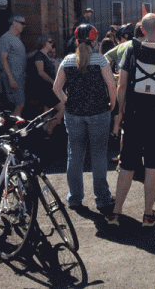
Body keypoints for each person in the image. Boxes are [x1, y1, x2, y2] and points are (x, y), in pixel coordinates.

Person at [107, 13, 155, 228]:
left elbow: (122, 85)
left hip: (133, 114)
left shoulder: (132, 50)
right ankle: (148, 215)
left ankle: (116, 213)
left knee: (127, 165)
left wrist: (119, 113)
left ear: (141, 29)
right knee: (153, 166)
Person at [53, 23, 117, 213]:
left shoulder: (67, 60)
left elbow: (57, 88)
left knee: (75, 156)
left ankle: (74, 198)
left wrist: (67, 102)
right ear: (95, 40)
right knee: (98, 156)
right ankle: (103, 199)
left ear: (76, 40)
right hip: (99, 113)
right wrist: (112, 104)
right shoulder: (101, 60)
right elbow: (112, 86)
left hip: (74, 115)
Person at [30, 35, 64, 136]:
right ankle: (50, 129)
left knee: (47, 112)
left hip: (48, 88)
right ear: (44, 43)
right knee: (62, 108)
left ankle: (44, 133)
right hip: (46, 89)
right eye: (49, 41)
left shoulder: (45, 56)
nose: (51, 43)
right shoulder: (39, 56)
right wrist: (53, 82)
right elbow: (41, 72)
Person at [0, 14, 27, 117]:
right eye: (22, 23)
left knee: (18, 105)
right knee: (19, 104)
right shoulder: (6, 38)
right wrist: (11, 78)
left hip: (20, 77)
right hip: (14, 77)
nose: (24, 26)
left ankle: (13, 128)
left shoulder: (16, 38)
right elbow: (3, 58)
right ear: (14, 23)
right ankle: (15, 129)